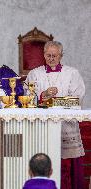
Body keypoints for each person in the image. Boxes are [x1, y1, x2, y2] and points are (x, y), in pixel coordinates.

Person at [26, 41, 85, 189]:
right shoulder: (35, 73)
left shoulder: (72, 73)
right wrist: (43, 95)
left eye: (54, 55)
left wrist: (51, 100)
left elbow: (77, 98)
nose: (51, 58)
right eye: (48, 55)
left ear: (61, 55)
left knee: (67, 164)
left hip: (66, 126)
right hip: (42, 125)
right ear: (44, 55)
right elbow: (27, 97)